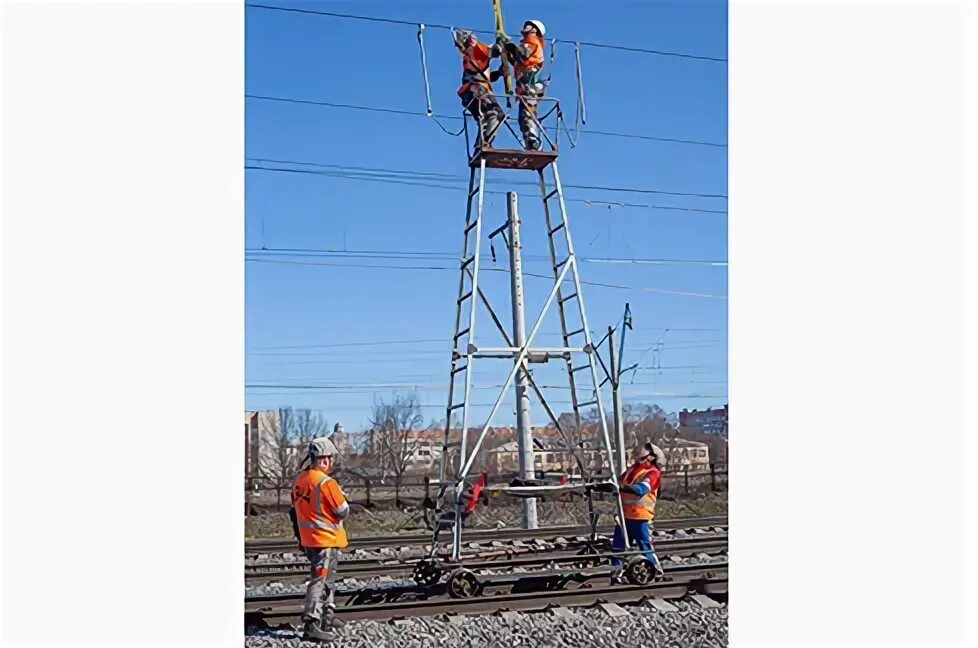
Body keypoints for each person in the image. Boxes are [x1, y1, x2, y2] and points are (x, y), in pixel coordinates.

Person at [289, 437, 350, 642]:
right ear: (324, 459)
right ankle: (312, 623)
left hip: (309, 539)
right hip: (326, 539)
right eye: (330, 459)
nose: (331, 463)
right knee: (320, 580)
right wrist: (341, 495)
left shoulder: (300, 480)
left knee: (327, 580)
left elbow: (294, 510)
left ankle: (327, 617)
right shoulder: (326, 483)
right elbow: (342, 511)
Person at [611, 442, 666, 579]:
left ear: (651, 457)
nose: (637, 460)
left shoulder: (653, 472)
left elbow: (642, 489)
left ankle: (657, 571)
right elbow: (617, 482)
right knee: (617, 546)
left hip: (641, 516)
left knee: (645, 546)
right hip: (624, 516)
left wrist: (623, 488)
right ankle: (616, 572)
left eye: (641, 458)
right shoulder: (631, 470)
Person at [453, 28, 506, 147]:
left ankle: (480, 144)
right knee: (496, 114)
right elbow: (493, 51)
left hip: (470, 92)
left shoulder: (470, 56)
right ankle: (485, 143)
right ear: (471, 39)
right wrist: (501, 43)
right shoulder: (474, 50)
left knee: (484, 119)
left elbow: (482, 76)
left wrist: (499, 73)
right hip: (476, 90)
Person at [501, 20, 547, 150]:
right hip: (524, 87)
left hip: (530, 85)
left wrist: (507, 45)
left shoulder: (532, 41)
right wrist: (505, 51)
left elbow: (521, 53)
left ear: (534, 30)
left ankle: (533, 140)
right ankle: (530, 141)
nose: (524, 26)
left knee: (527, 114)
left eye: (528, 25)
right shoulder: (526, 43)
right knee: (523, 117)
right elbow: (517, 59)